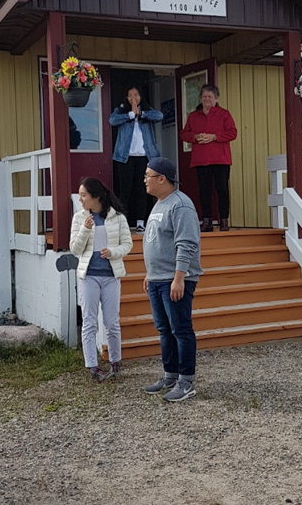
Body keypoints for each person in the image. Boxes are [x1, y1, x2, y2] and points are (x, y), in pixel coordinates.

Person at [142, 157, 202, 402]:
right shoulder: (159, 204)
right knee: (164, 329)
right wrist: (150, 273)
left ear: (162, 179)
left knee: (181, 329)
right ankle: (170, 375)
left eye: (148, 175)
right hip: (157, 279)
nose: (144, 180)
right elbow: (158, 242)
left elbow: (186, 243)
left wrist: (179, 277)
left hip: (175, 279)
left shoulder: (181, 205)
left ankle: (186, 382)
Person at [70, 177, 133, 382]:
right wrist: (85, 229)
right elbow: (75, 249)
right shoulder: (79, 218)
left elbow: (127, 245)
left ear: (96, 196)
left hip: (110, 276)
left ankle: (115, 362)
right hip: (88, 276)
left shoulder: (118, 218)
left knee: (112, 322)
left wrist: (113, 252)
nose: (80, 199)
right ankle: (93, 366)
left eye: (84, 195)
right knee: (89, 322)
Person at [180, 84, 237, 232]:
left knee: (222, 190)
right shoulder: (194, 116)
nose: (207, 99)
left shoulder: (224, 114)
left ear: (216, 99)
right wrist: (195, 137)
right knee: (204, 191)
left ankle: (224, 220)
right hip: (201, 159)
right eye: (204, 96)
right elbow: (184, 134)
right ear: (200, 98)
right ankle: (207, 221)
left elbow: (233, 133)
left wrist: (214, 137)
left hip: (220, 159)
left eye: (210, 97)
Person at [109, 85, 163, 232]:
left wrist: (141, 113)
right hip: (125, 157)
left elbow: (159, 116)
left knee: (142, 190)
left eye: (136, 95)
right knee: (124, 191)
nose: (133, 98)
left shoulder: (147, 110)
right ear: (126, 98)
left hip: (144, 157)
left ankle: (140, 223)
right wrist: (130, 115)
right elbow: (112, 120)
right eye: (130, 95)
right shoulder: (120, 111)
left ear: (141, 97)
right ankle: (122, 223)